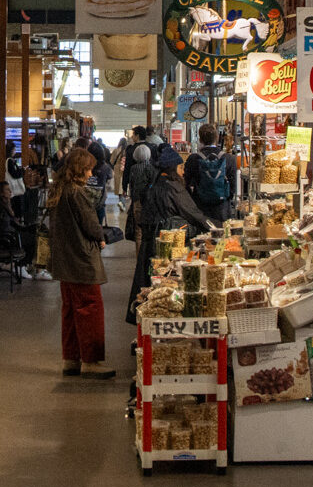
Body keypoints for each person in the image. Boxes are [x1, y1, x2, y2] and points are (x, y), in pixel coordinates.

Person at [125, 144, 215, 324]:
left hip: (152, 243)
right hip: (169, 244)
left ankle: (144, 319)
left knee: (149, 284)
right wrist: (214, 227)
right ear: (173, 168)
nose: (182, 171)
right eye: (180, 167)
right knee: (164, 290)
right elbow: (192, 213)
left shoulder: (157, 183)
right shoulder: (173, 187)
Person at [46, 147, 114, 378]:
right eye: (87, 169)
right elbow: (91, 225)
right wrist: (101, 237)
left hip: (64, 259)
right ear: (79, 170)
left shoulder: (58, 190)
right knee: (90, 308)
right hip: (81, 259)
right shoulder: (77, 193)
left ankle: (71, 359)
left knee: (69, 310)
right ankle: (91, 361)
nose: (89, 174)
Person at [185, 126, 237, 225]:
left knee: (202, 237)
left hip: (200, 206)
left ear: (200, 139)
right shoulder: (228, 158)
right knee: (223, 235)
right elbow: (233, 185)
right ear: (217, 138)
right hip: (222, 207)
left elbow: (187, 183)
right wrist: (225, 196)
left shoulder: (193, 159)